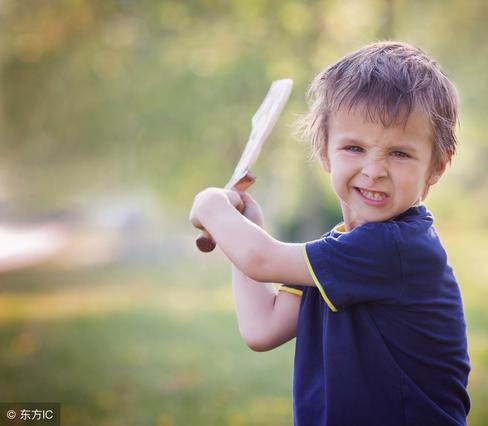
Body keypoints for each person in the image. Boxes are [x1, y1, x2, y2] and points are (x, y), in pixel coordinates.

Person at [190, 41, 471, 426]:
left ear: (437, 166)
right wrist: (245, 228)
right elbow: (262, 327)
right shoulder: (335, 251)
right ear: (324, 151)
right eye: (354, 147)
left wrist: (210, 204)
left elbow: (261, 259)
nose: (374, 170)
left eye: (399, 153)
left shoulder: (397, 248)